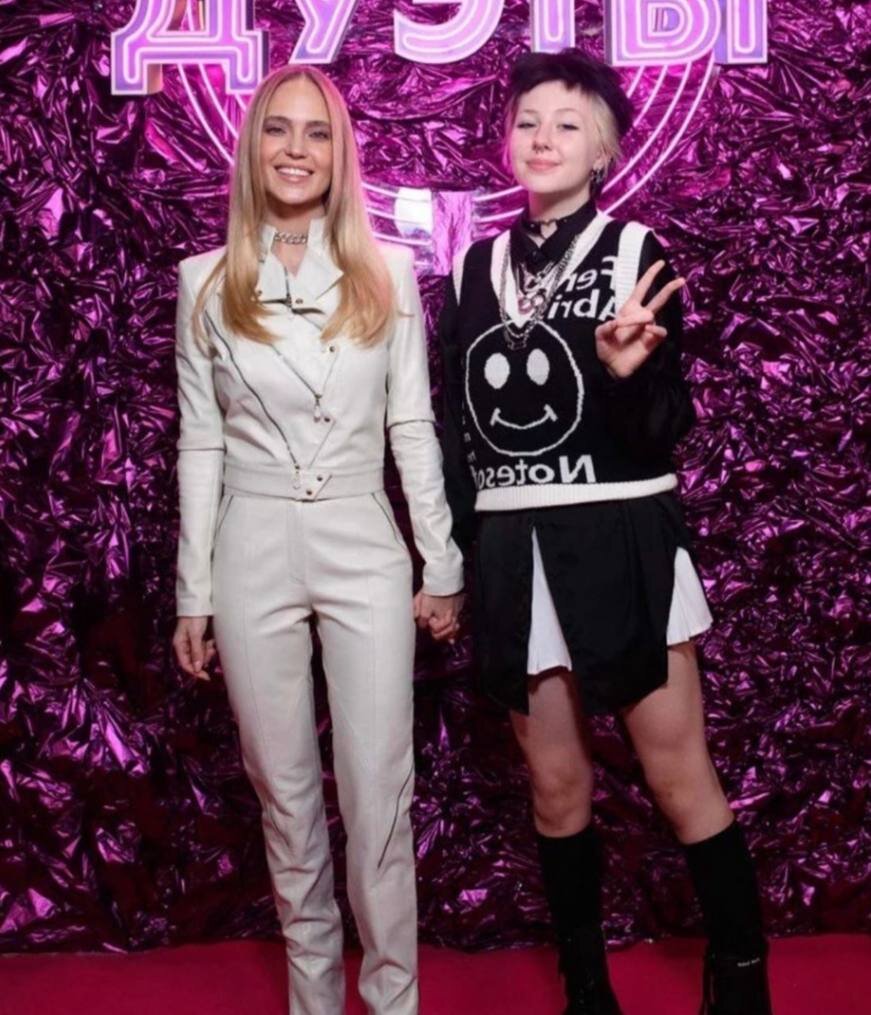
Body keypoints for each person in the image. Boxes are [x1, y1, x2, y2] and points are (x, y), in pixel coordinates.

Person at [439, 50, 772, 1015]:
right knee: (554, 785)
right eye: (526, 121)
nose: (541, 138)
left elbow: (667, 427)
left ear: (604, 152)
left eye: (567, 124)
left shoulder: (634, 253)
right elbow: (456, 431)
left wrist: (628, 374)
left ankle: (740, 979)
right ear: (506, 142)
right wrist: (451, 561)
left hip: (621, 534)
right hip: (513, 550)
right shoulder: (470, 267)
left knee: (678, 775)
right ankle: (586, 991)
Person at [171, 64, 463, 1015]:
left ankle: (393, 1001)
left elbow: (411, 424)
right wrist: (192, 590)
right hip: (250, 542)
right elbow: (200, 441)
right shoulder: (203, 281)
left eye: (317, 132)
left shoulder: (387, 273)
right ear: (251, 146)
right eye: (277, 129)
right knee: (285, 794)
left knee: (378, 792)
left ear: (341, 154)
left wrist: (440, 561)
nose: (295, 149)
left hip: (361, 539)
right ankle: (313, 1003)